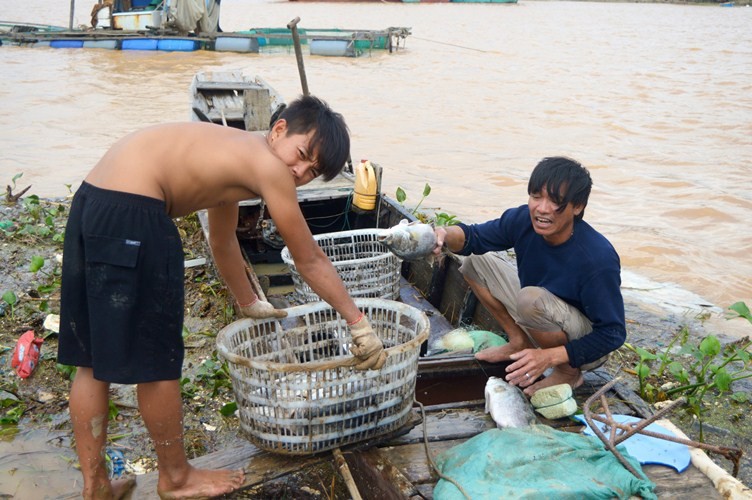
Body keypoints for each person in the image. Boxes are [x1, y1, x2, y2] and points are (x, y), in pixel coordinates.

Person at [57, 95, 386, 499]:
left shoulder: (235, 151)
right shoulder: (269, 166)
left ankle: (96, 487)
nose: (298, 172)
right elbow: (310, 259)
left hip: (93, 201)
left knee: (91, 361)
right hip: (136, 213)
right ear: (279, 129)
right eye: (301, 155)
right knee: (157, 363)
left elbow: (222, 240)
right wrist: (359, 323)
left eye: (312, 172)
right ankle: (175, 478)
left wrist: (249, 301)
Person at [433, 156, 625, 397]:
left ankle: (568, 373)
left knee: (529, 298)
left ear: (577, 207)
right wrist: (440, 233)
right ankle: (518, 341)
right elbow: (473, 237)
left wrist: (549, 357)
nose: (541, 208)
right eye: (536, 196)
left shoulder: (597, 258)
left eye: (555, 201)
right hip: (540, 309)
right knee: (475, 262)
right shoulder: (523, 220)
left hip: (583, 343)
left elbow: (612, 334)